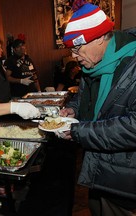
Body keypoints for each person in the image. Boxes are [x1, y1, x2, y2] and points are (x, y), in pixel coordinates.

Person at [59, 1, 136, 215]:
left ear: (100, 37)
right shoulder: (91, 64)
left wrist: (79, 132)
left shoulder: (132, 65)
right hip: (97, 166)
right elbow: (87, 99)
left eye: (77, 48)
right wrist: (74, 109)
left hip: (123, 175)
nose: (74, 56)